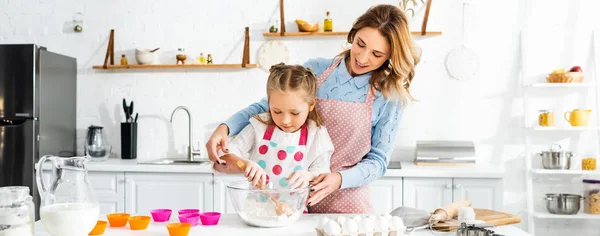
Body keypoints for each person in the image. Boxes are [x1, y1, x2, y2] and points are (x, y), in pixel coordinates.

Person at [206, 4, 421, 213]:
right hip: (293, 195)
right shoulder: (317, 70)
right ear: (352, 34)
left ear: (391, 55)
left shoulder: (390, 95)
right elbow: (268, 106)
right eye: (360, 43)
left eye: (377, 54)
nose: (363, 58)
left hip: (348, 201)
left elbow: (378, 161)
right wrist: (225, 128)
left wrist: (337, 179)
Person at [213, 64, 334, 191]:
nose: (285, 121)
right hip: (256, 208)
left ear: (311, 104)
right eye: (276, 111)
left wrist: (309, 176)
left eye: (294, 113)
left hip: (295, 209)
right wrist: (244, 165)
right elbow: (220, 160)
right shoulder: (259, 128)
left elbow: (323, 172)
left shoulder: (316, 134)